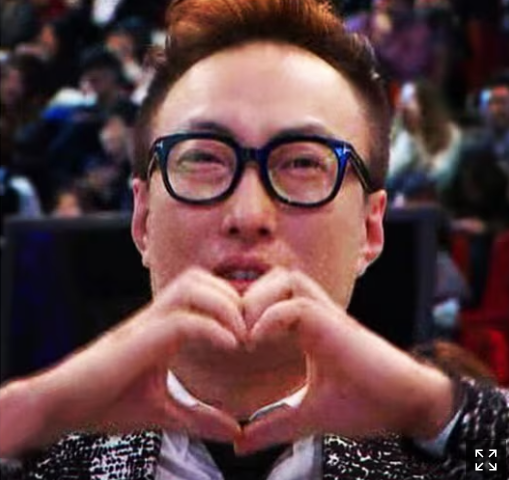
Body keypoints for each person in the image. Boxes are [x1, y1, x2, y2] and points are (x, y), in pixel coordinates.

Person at [0, 1, 507, 479]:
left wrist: (441, 413)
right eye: (203, 158)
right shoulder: (38, 455)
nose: (247, 216)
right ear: (142, 218)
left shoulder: (456, 455)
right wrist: (27, 414)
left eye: (302, 163)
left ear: (370, 230)